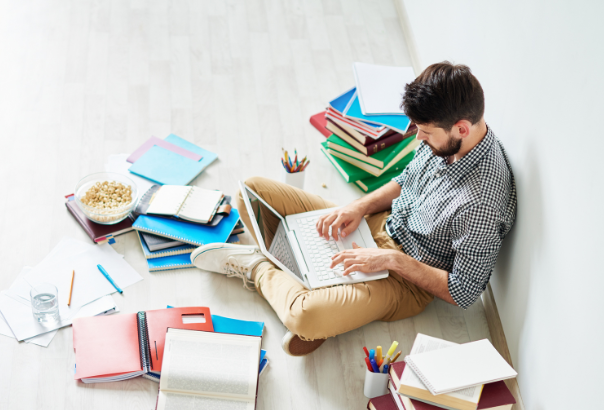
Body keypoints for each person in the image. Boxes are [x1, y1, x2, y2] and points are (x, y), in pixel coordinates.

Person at [190, 62, 517, 356]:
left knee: (306, 316)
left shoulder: (481, 204)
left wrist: (389, 259)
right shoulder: (449, 140)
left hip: (404, 278)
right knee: (250, 192)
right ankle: (311, 280)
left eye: (426, 133)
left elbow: (463, 291)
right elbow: (406, 180)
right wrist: (358, 207)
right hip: (378, 223)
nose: (418, 140)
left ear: (462, 128)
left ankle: (258, 268)